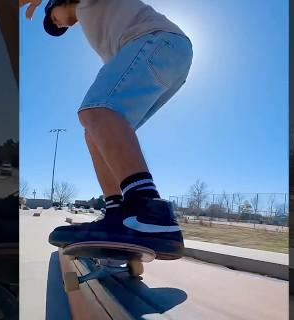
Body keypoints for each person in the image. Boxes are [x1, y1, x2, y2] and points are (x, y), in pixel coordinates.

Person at [21, 0, 193, 260]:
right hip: (166, 56)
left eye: (50, 15)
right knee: (96, 131)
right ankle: (117, 212)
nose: (53, 22)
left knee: (95, 109)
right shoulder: (92, 18)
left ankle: (148, 211)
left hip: (156, 41)